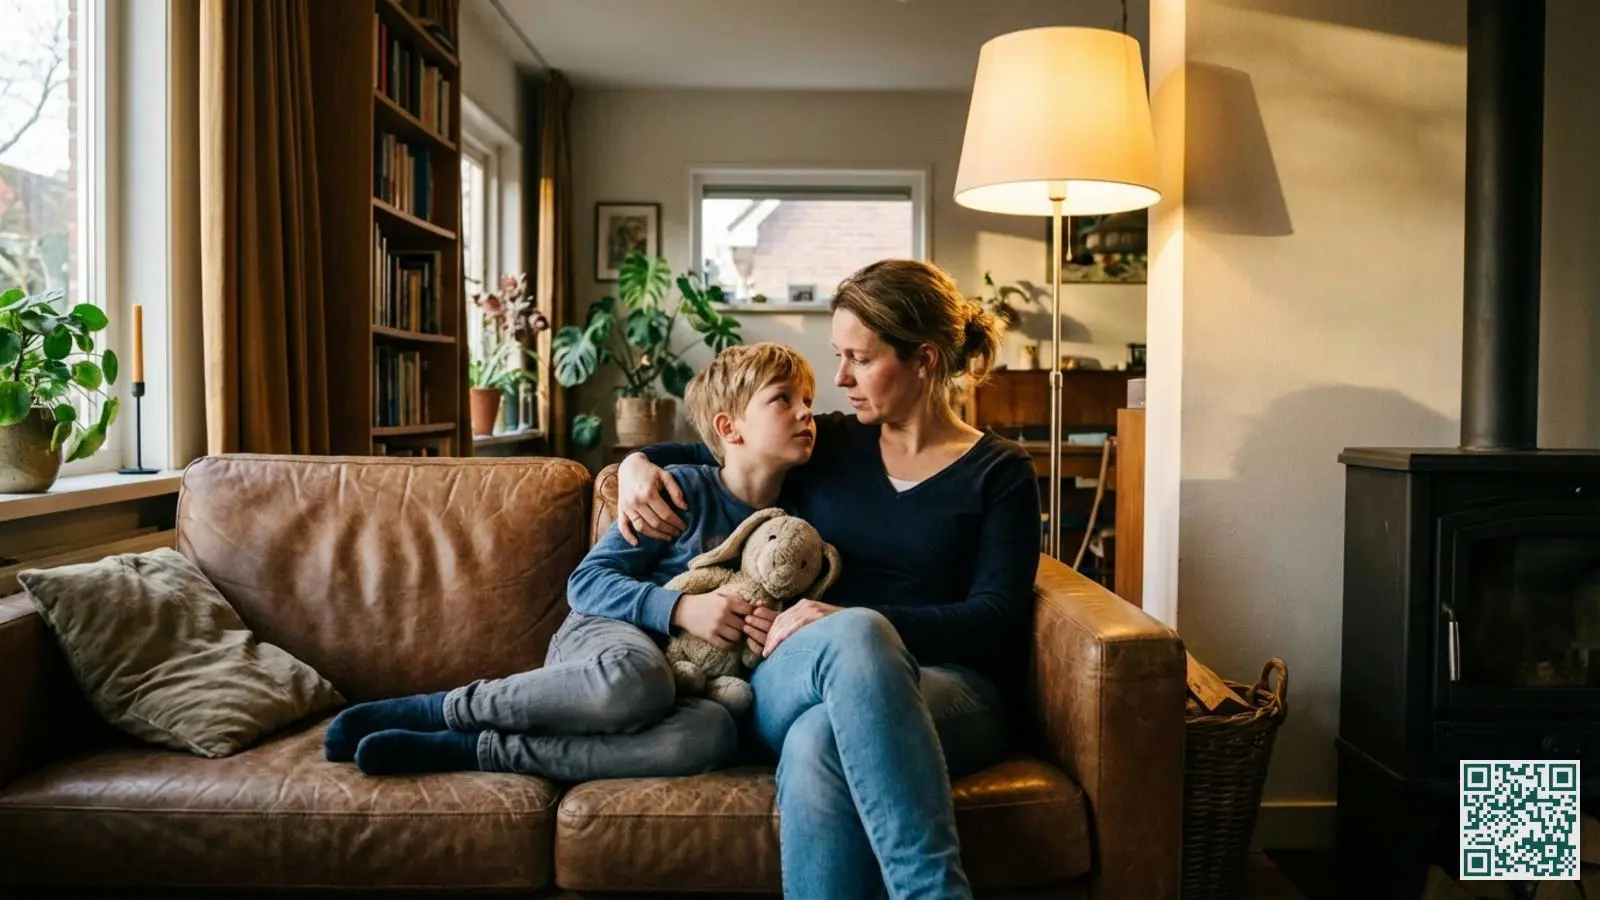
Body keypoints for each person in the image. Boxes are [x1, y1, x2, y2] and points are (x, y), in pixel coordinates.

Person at [615, 259, 1041, 900]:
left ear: (924, 360)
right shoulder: (833, 443)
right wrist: (635, 465)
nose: (839, 379)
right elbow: (715, 450)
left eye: (860, 360)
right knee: (850, 648)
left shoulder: (1000, 472)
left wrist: (861, 622)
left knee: (825, 725)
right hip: (796, 673)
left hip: (952, 686)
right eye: (840, 356)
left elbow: (999, 615)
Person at [322, 342, 820, 779]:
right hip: (606, 637)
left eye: (808, 402)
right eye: (784, 399)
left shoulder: (799, 525)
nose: (806, 413)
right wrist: (680, 609)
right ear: (728, 428)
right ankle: (445, 709)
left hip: (690, 684)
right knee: (637, 680)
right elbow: (587, 583)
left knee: (711, 736)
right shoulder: (680, 490)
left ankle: (480, 750)